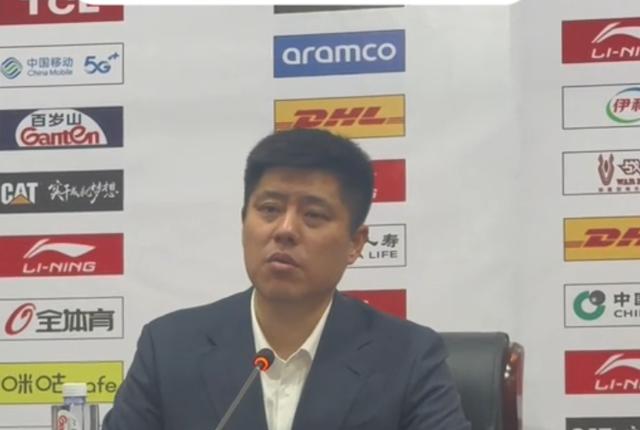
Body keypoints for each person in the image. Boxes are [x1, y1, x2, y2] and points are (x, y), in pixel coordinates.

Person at [102, 129, 470, 430]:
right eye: (270, 209)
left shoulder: (408, 357)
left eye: (313, 215)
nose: (285, 230)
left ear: (355, 244)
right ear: (244, 220)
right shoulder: (169, 348)